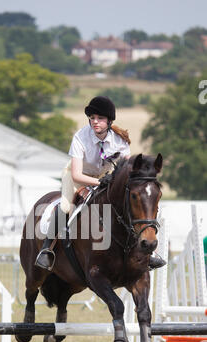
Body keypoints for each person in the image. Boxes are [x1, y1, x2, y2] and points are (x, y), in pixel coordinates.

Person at [35, 95, 166, 271]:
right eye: (92, 118)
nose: (95, 122)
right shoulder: (81, 137)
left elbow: (127, 170)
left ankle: (146, 254)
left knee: (126, 207)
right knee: (66, 207)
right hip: (78, 177)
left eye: (100, 118)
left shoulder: (120, 141)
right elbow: (76, 174)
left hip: (105, 178)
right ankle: (46, 249)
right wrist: (99, 182)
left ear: (109, 121)